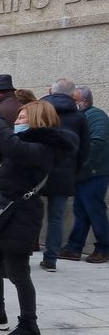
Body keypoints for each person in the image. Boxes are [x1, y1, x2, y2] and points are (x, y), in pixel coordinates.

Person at [0, 102, 77, 335]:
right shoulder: (22, 141)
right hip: (4, 213)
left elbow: (15, 150)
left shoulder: (45, 146)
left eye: (23, 117)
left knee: (18, 272)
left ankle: (30, 326)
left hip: (22, 215)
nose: (17, 121)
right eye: (17, 117)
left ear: (38, 119)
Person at [39, 78, 90, 271]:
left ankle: (23, 252)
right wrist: (75, 170)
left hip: (37, 168)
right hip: (64, 172)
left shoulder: (41, 109)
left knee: (29, 212)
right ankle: (51, 258)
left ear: (52, 91)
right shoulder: (79, 117)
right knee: (56, 217)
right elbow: (84, 149)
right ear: (72, 95)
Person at [60, 86, 109, 264]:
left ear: (85, 102)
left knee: (95, 211)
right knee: (81, 211)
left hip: (94, 173)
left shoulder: (96, 117)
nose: (72, 104)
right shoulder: (83, 116)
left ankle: (104, 248)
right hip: (84, 173)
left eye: (75, 101)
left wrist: (79, 161)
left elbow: (97, 144)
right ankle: (74, 247)